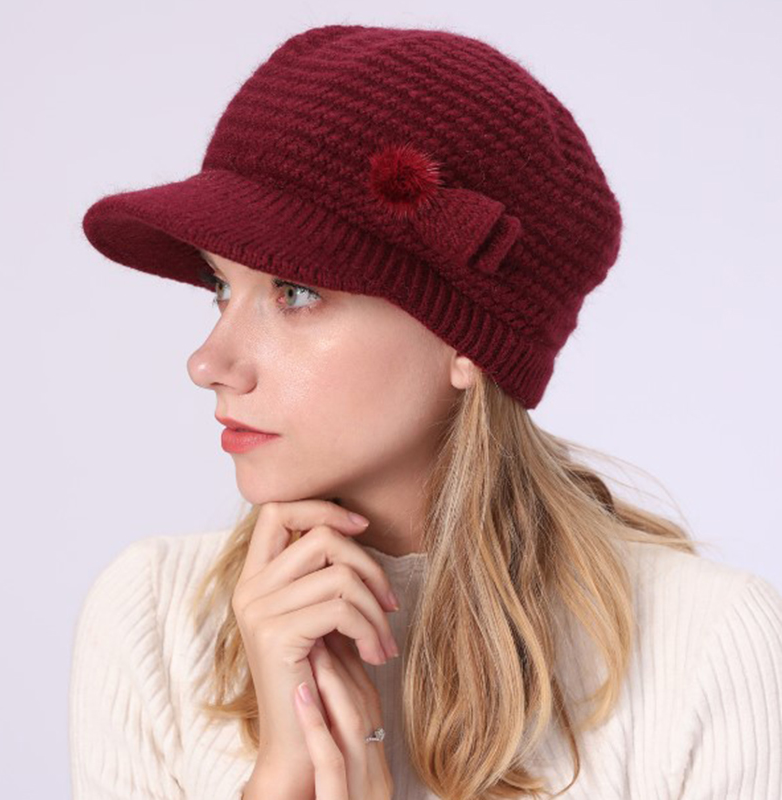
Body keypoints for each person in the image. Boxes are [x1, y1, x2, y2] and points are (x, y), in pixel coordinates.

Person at [69, 23, 782, 800]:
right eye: (220, 287)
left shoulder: (706, 647)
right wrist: (280, 782)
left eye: (295, 292)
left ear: (463, 340)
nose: (208, 363)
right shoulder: (156, 619)